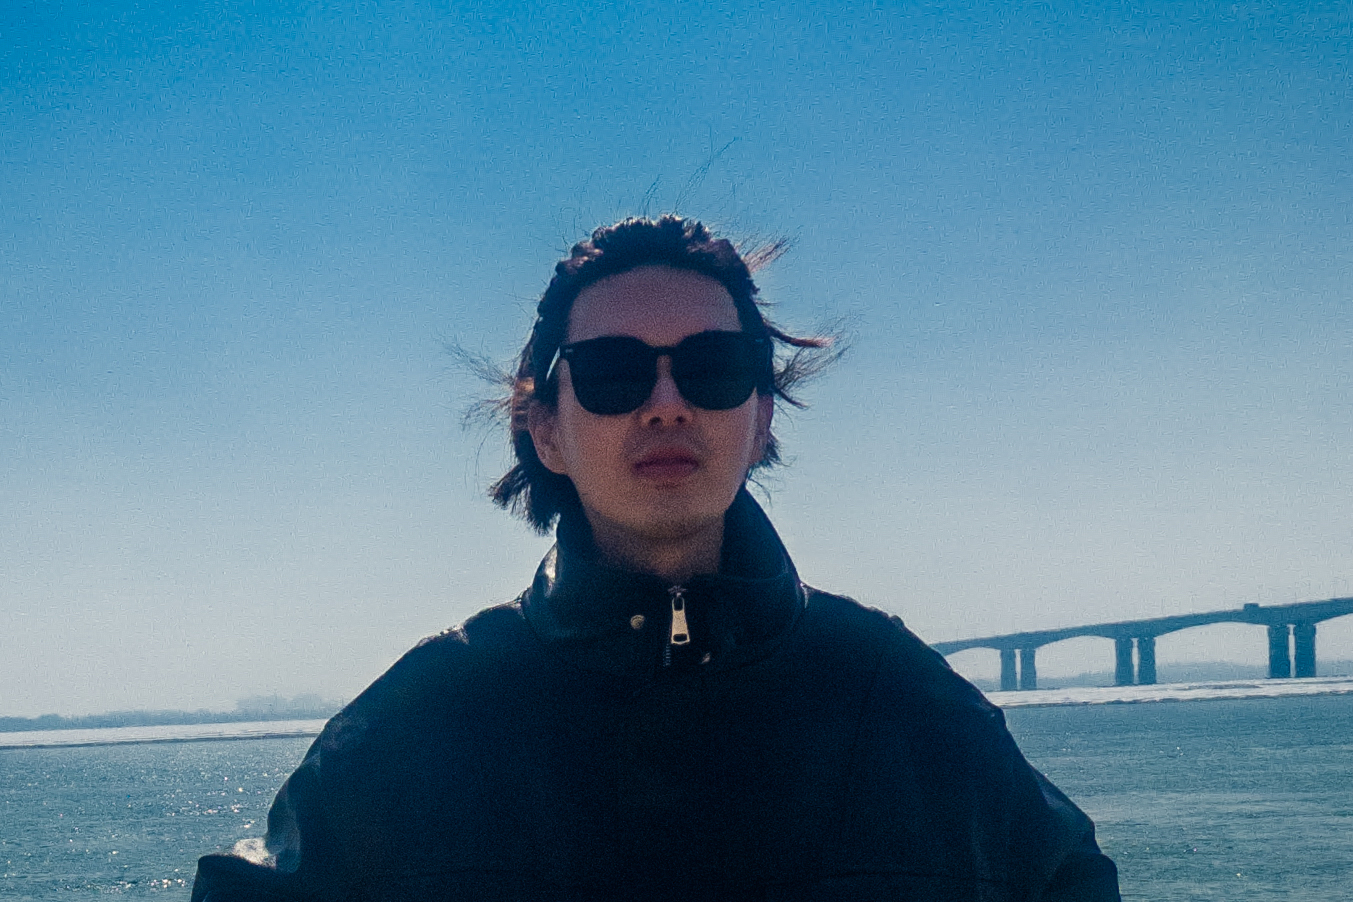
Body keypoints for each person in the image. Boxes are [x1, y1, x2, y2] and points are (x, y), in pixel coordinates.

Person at [192, 215, 1121, 901]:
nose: (667, 403)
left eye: (713, 367)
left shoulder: (907, 707)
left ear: (761, 419)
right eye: (612, 373)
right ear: (544, 430)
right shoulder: (422, 723)